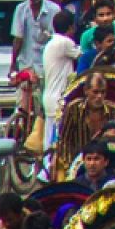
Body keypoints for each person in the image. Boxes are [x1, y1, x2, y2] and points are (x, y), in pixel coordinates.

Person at [53, 72, 115, 180]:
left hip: (105, 166)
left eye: (102, 92)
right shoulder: (73, 109)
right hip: (76, 163)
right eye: (95, 92)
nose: (99, 96)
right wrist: (72, 166)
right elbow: (64, 141)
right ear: (86, 91)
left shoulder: (114, 111)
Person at [40, 12, 79, 148]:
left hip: (49, 96)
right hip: (59, 98)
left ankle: (43, 166)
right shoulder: (65, 43)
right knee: (58, 137)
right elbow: (82, 55)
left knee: (48, 136)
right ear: (71, 27)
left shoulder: (51, 43)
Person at [11, 0, 60, 78]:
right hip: (26, 65)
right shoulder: (21, 9)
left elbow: (57, 38)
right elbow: (17, 39)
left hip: (46, 65)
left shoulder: (54, 10)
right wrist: (13, 64)